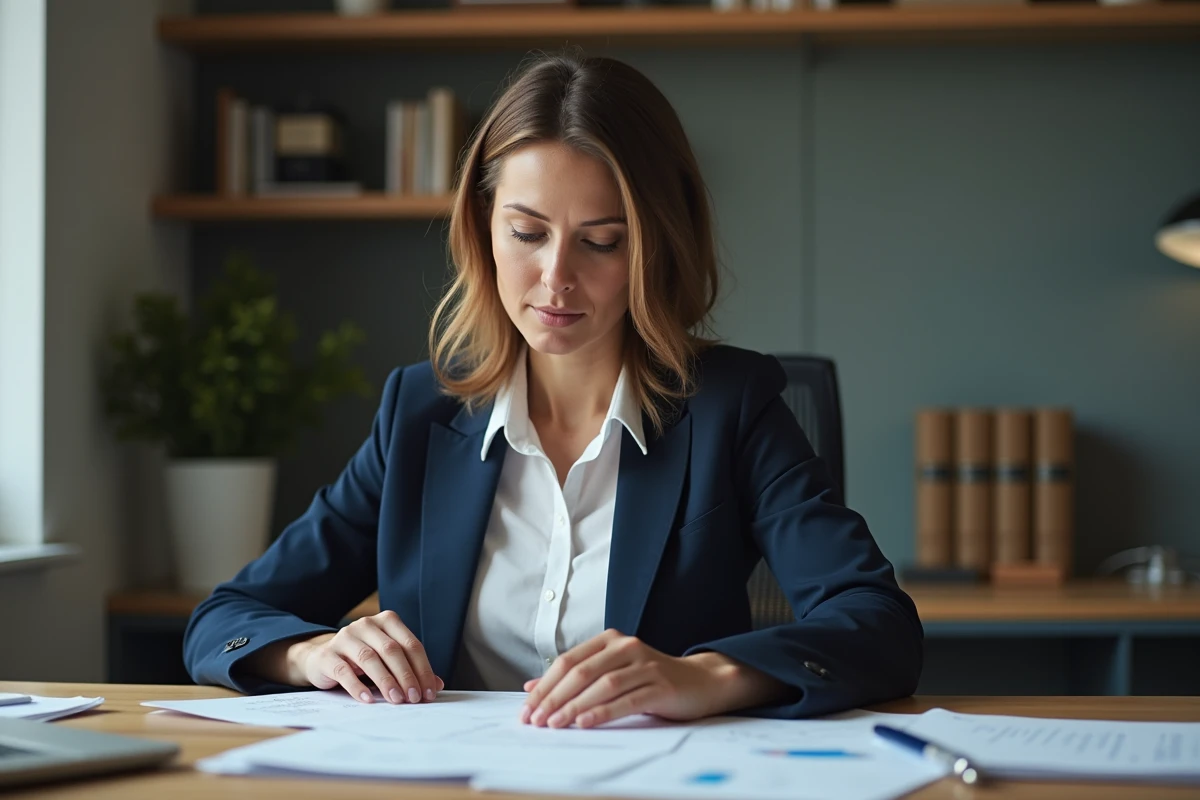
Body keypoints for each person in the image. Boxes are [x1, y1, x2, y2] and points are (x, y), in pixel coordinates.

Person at [184, 52, 923, 728]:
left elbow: (878, 623)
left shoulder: (733, 407)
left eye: (602, 241)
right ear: (484, 229)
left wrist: (707, 676)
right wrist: (310, 654)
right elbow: (227, 617)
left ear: (657, 245)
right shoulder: (418, 414)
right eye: (527, 233)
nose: (556, 278)